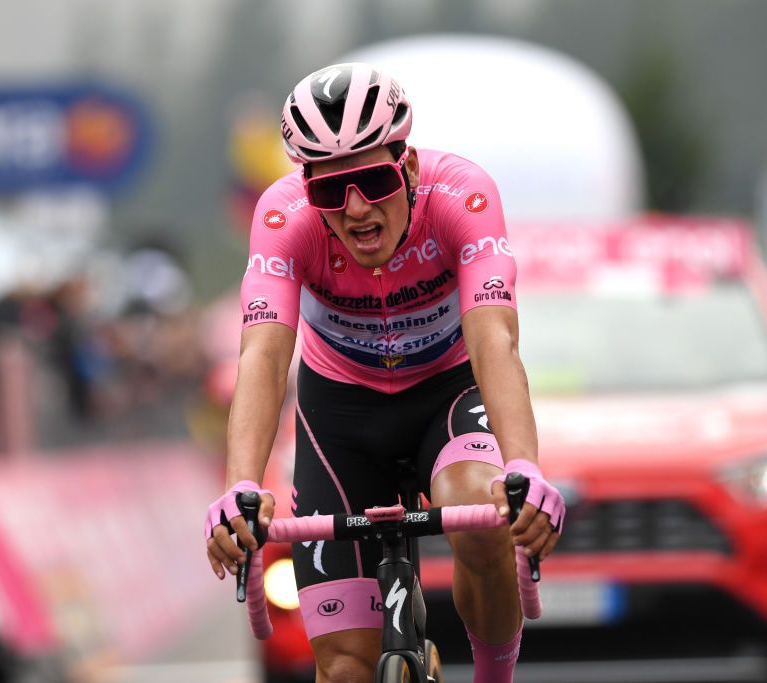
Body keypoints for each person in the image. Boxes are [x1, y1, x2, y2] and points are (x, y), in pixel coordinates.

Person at [204, 62, 565, 683]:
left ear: (411, 168)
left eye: (372, 180)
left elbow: (495, 341)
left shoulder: (462, 196)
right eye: (328, 192)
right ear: (305, 186)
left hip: (447, 392)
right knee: (346, 668)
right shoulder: (282, 218)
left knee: (478, 517)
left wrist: (523, 465)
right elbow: (262, 354)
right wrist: (239, 486)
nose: (354, 209)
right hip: (340, 412)